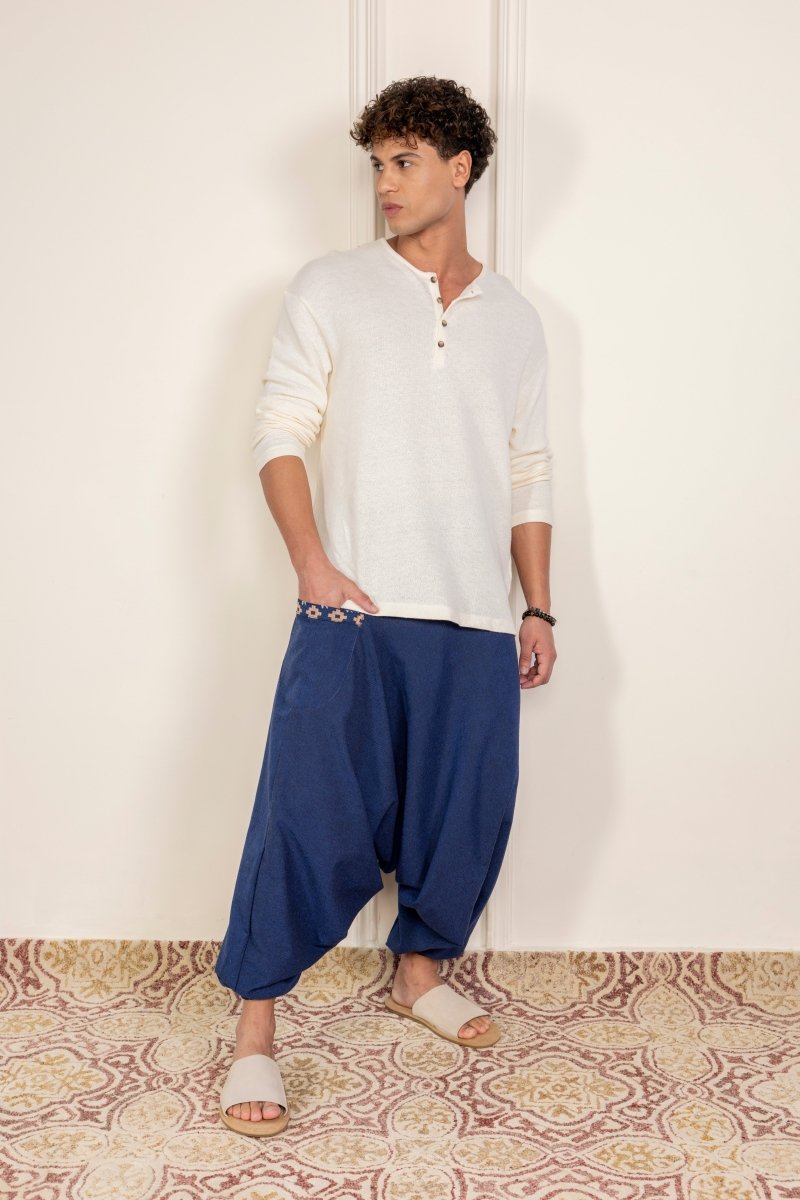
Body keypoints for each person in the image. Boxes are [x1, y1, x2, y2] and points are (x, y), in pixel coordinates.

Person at [214, 75, 557, 1137]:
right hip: (352, 609)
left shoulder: (517, 319)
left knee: (465, 815)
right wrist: (311, 564)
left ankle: (419, 975)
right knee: (306, 815)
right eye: (377, 165)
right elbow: (279, 429)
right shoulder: (331, 286)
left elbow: (529, 470)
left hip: (476, 614)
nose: (385, 184)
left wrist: (538, 608)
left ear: (460, 167)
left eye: (404, 161)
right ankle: (255, 1032)